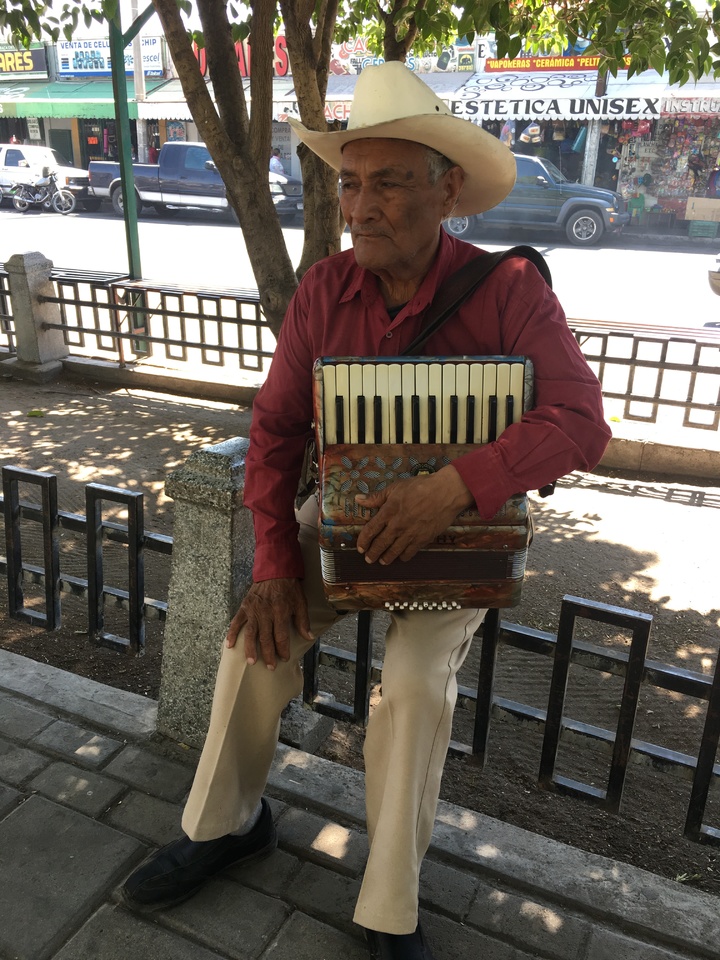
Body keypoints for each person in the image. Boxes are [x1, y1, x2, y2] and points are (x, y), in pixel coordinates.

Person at [122, 62, 611, 960]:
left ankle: (391, 908)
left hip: (457, 540)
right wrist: (273, 566)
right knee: (252, 640)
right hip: (337, 527)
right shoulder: (321, 293)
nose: (361, 207)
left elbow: (583, 421)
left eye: (390, 182)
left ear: (447, 188)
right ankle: (227, 824)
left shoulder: (509, 293)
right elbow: (272, 437)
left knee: (416, 690)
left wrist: (456, 486)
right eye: (351, 182)